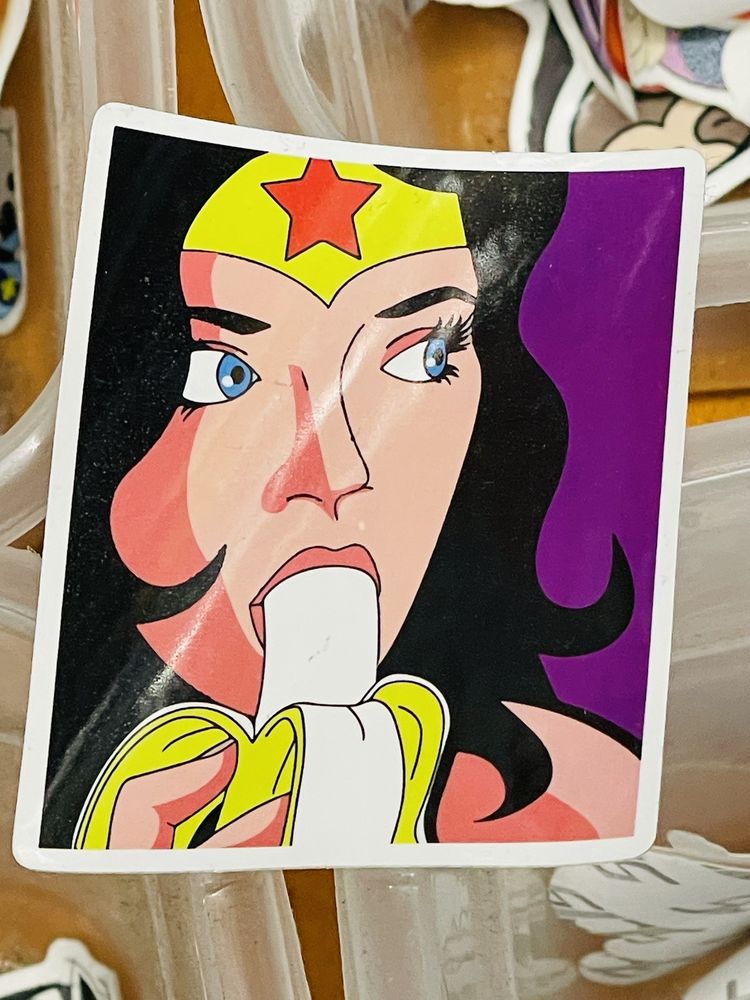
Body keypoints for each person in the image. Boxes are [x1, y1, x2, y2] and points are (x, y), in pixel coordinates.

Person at [50, 142, 639, 851]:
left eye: (425, 356)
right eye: (228, 375)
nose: (327, 475)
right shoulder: (126, 796)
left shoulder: (579, 799)